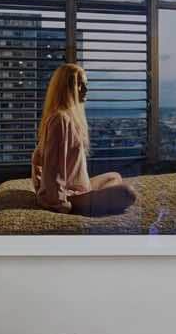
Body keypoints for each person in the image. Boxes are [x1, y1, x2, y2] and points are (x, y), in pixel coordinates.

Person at [31, 62, 138, 217]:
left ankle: (87, 197)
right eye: (80, 85)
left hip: (77, 189)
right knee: (128, 193)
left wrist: (39, 185)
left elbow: (38, 158)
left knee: (114, 176)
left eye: (86, 84)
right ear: (66, 89)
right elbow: (51, 167)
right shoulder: (60, 119)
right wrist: (59, 203)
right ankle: (78, 200)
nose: (86, 89)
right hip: (67, 196)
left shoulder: (67, 117)